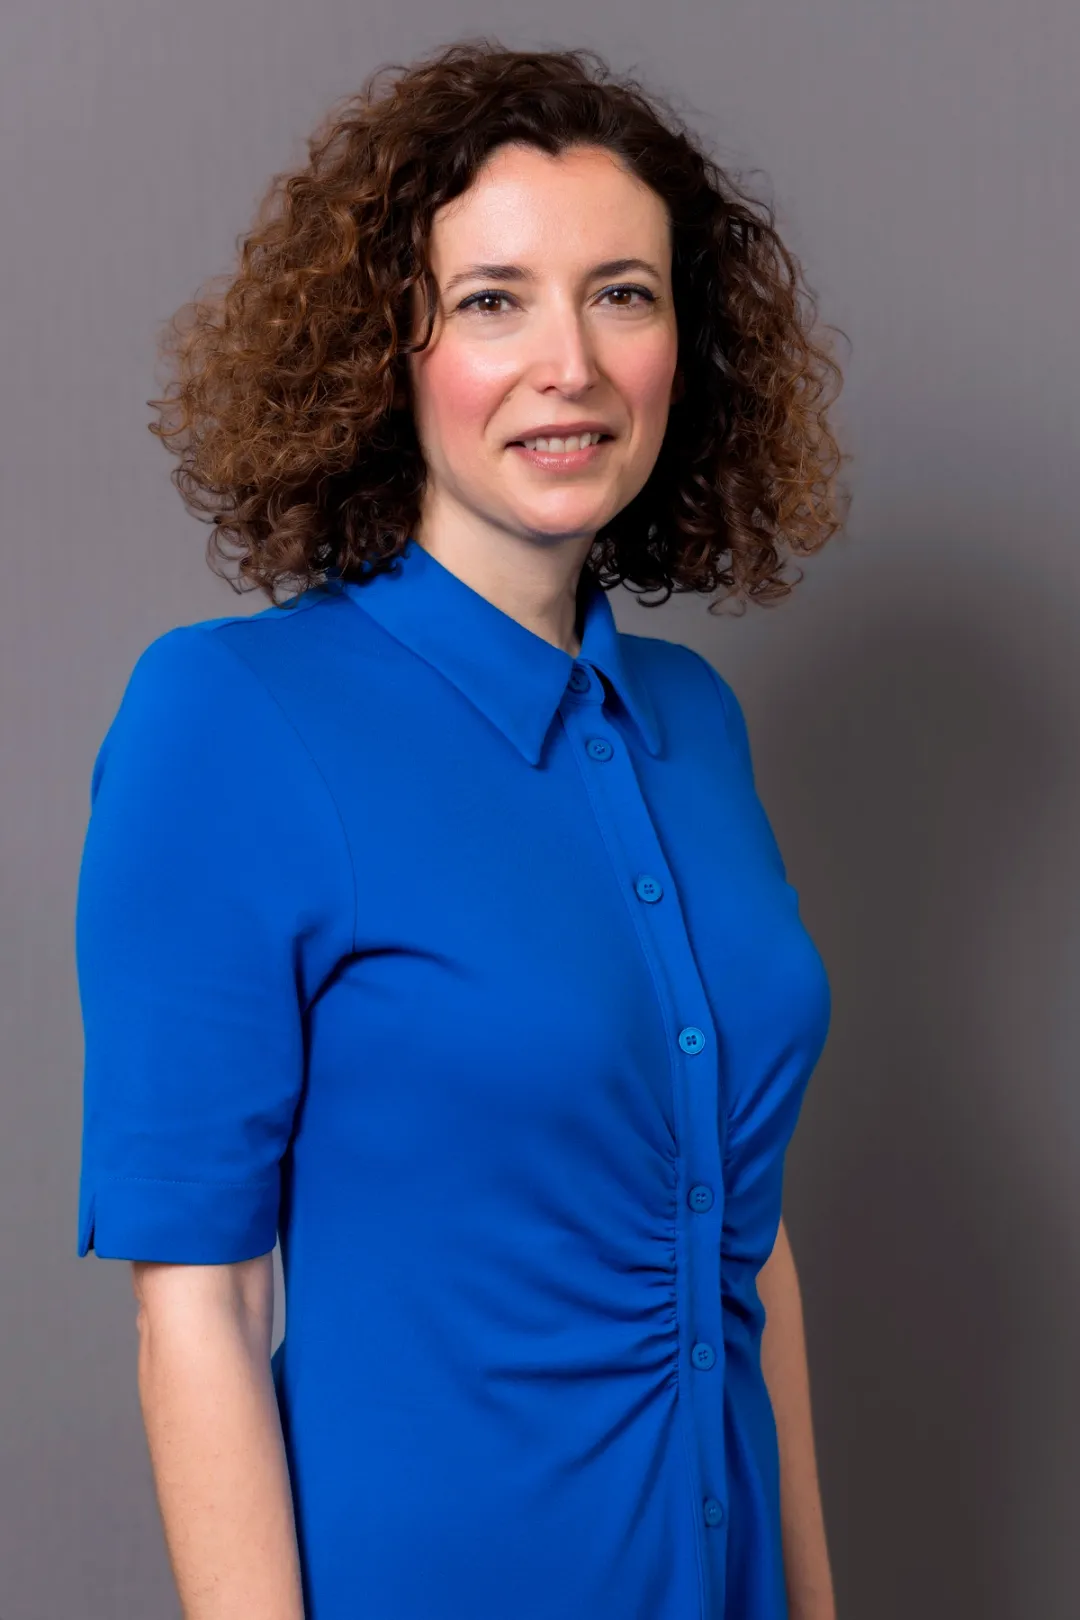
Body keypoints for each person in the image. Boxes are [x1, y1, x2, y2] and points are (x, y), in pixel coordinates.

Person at [74, 38, 850, 1620]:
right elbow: (198, 1312)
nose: (567, 360)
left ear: (681, 349)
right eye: (493, 300)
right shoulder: (231, 719)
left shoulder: (696, 723)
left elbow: (749, 1253)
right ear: (389, 351)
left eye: (622, 293)